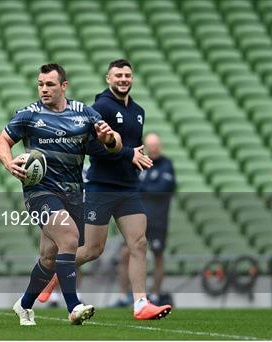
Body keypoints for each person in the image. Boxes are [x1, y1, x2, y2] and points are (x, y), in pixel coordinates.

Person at [38, 59, 172, 320]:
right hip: (101, 186)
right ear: (108, 78)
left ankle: (141, 304)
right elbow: (92, 146)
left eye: (127, 75)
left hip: (129, 187)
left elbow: (133, 150)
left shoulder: (139, 111)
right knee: (92, 250)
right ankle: (53, 274)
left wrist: (133, 156)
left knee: (139, 242)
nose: (123, 79)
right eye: (118, 75)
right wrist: (127, 154)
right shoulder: (100, 107)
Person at [0, 63, 122, 326]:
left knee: (49, 258)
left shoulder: (84, 113)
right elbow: (2, 142)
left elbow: (115, 144)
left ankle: (24, 304)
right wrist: (9, 164)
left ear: (64, 86)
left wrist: (108, 139)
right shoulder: (28, 115)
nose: (44, 89)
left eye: (50, 84)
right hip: (40, 192)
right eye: (40, 84)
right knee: (70, 237)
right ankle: (73, 306)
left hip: (74, 193)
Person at [112, 133, 176, 307]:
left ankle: (154, 294)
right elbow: (131, 184)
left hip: (158, 219)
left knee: (157, 255)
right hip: (138, 218)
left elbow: (163, 188)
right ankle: (124, 295)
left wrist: (142, 187)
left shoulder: (166, 165)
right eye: (150, 145)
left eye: (156, 145)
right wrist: (145, 188)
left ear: (160, 146)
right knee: (126, 254)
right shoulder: (140, 163)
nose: (154, 148)